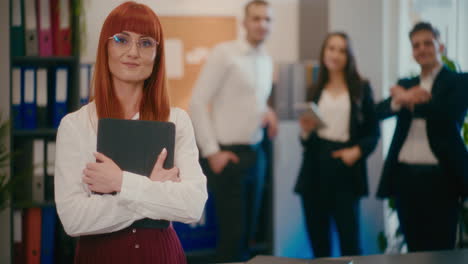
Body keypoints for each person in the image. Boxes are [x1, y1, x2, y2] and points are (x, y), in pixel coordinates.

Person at [54, 2, 208, 263]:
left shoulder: (177, 120)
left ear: (157, 55)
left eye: (146, 43)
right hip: (100, 256)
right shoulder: (75, 125)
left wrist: (120, 182)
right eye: (121, 39)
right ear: (106, 47)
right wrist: (154, 190)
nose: (133, 52)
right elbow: (74, 219)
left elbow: (193, 205)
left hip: (162, 255)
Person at [189, 0, 277, 261]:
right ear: (244, 23)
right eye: (256, 18)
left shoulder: (267, 61)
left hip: (256, 154)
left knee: (250, 236)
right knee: (232, 240)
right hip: (227, 157)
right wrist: (212, 152)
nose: (262, 24)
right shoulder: (225, 53)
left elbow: (252, 101)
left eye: (267, 20)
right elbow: (197, 101)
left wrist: (268, 113)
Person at [376, 22, 468, 252]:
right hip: (405, 178)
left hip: (441, 179)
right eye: (416, 45)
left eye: (428, 43)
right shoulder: (406, 84)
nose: (422, 49)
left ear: (441, 46)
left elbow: (446, 115)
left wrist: (407, 100)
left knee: (440, 250)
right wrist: (405, 97)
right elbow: (378, 112)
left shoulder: (458, 82)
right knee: (413, 249)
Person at [294, 32, 380, 258]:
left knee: (350, 245)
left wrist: (357, 151)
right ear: (324, 52)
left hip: (346, 169)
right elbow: (306, 142)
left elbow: (373, 132)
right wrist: (305, 132)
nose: (335, 54)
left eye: (342, 50)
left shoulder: (361, 89)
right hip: (315, 170)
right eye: (331, 48)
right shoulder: (314, 89)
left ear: (348, 56)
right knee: (319, 247)